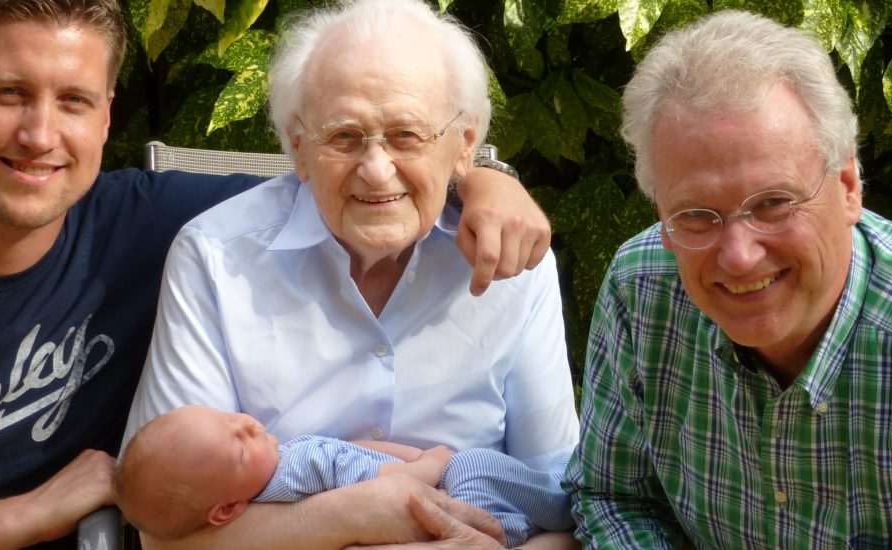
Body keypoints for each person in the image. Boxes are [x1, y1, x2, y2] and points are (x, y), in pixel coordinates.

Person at [0, 0, 554, 547]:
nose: (40, 134)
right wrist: (28, 514)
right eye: (8, 92)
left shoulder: (156, 223)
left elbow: (573, 501)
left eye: (74, 101)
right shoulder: (214, 250)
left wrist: (491, 178)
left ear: (107, 114)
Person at [122, 0, 580, 548]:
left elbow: (566, 507)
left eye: (407, 135)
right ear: (298, 147)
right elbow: (163, 533)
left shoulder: (516, 264)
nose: (376, 168)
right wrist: (354, 517)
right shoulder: (216, 259)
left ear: (464, 146)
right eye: (343, 136)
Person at [563, 9, 892, 549]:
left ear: (850, 186)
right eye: (695, 214)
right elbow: (613, 496)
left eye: (773, 203)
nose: (738, 256)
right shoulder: (640, 289)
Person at [114, 405, 572, 546]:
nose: (249, 424)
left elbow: (356, 452)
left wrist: (414, 458)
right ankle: (570, 499)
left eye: (230, 418)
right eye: (237, 445)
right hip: (450, 495)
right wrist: (431, 463)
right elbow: (386, 478)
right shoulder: (297, 470)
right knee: (487, 469)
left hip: (435, 506)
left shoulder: (263, 494)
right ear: (227, 509)